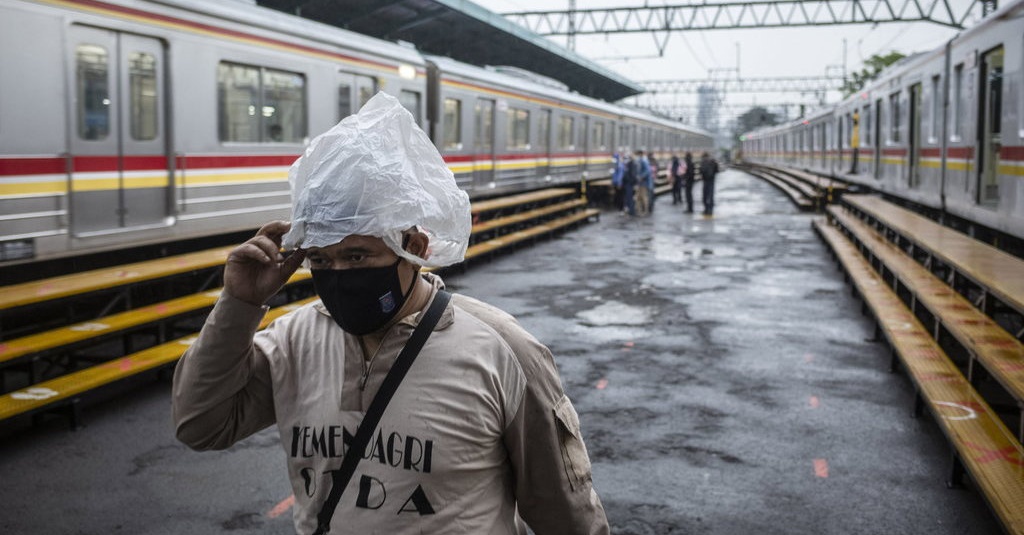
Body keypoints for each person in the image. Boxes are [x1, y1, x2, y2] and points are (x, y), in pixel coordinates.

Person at [172, 93, 610, 535]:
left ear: (414, 250)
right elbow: (201, 425)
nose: (339, 275)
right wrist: (240, 304)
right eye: (321, 260)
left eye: (358, 257)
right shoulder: (293, 341)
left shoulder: (504, 352)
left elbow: (566, 515)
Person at [699, 152, 719, 216]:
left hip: (705, 181)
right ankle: (710, 210)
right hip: (711, 180)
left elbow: (701, 170)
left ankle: (706, 209)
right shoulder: (713, 161)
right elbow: (717, 170)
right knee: (711, 195)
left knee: (705, 195)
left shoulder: (703, 162)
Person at [633, 150, 650, 217]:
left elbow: (647, 171)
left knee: (643, 197)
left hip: (643, 183)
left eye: (637, 155)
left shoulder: (643, 161)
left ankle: (645, 211)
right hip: (639, 183)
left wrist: (641, 177)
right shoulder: (639, 161)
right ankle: (639, 211)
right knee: (638, 197)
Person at [621, 151, 638, 216]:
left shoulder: (632, 164)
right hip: (628, 183)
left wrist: (632, 182)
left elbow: (633, 175)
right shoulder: (630, 164)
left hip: (629, 183)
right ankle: (630, 210)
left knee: (630, 198)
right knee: (628, 198)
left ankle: (631, 211)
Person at [849, 110, 860, 174]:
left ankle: (853, 170)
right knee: (854, 158)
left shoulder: (855, 128)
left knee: (854, 158)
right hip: (855, 144)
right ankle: (853, 170)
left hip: (855, 145)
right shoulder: (856, 128)